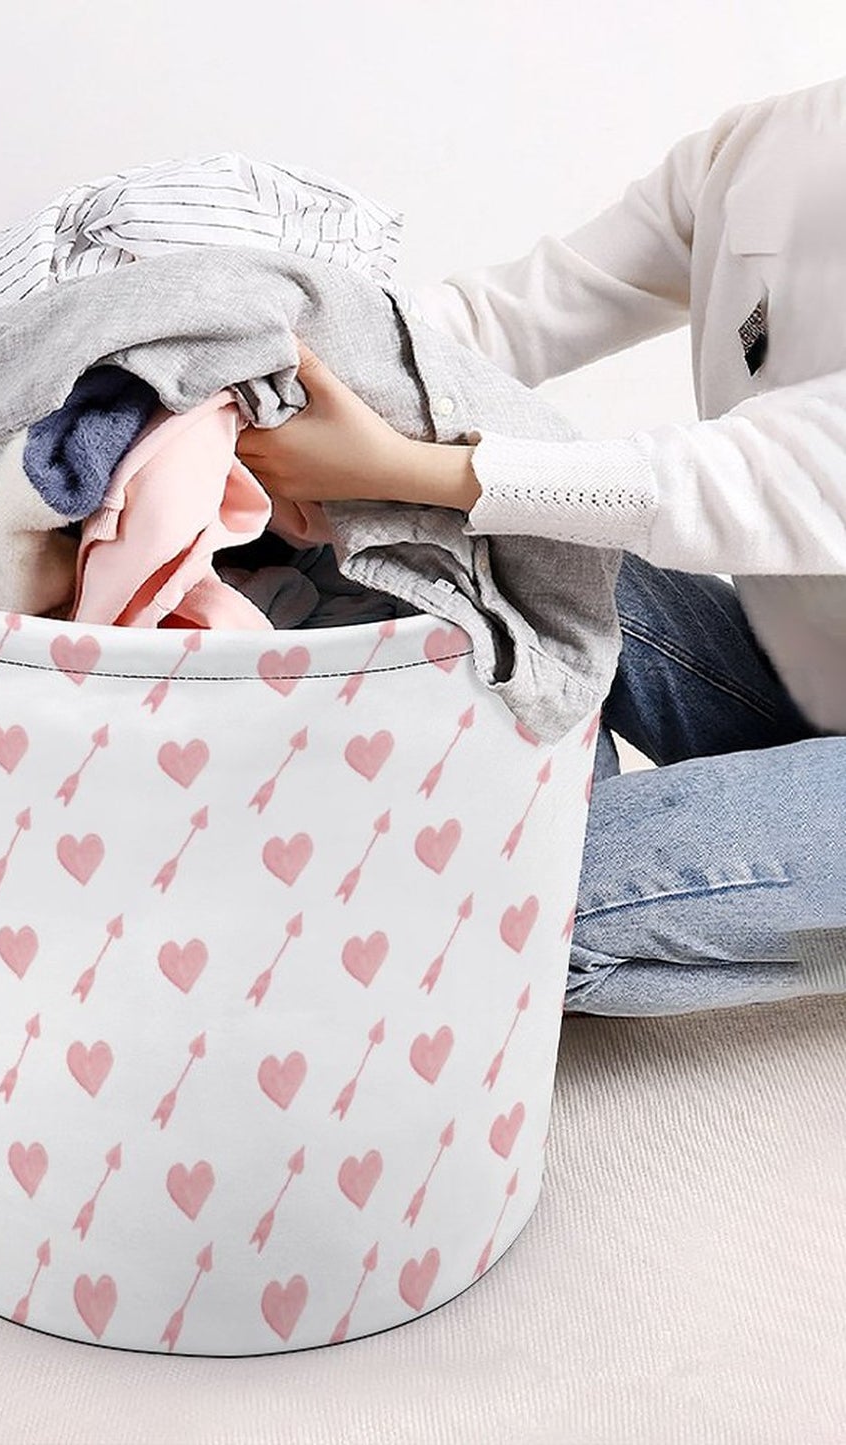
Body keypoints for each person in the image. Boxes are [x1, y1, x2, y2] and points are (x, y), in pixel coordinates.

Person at [236, 75, 846, 1016]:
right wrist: (267, 367)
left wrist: (405, 465)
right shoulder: (765, 146)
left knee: (502, 912)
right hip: (804, 684)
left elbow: (756, 473)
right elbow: (505, 319)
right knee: (462, 547)